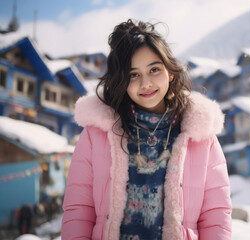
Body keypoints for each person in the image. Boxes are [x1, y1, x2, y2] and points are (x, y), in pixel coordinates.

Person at [61, 19, 232, 240]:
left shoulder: (199, 134)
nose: (146, 83)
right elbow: (79, 209)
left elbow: (216, 214)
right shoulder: (97, 133)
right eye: (134, 74)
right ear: (121, 80)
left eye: (154, 70)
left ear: (170, 72)